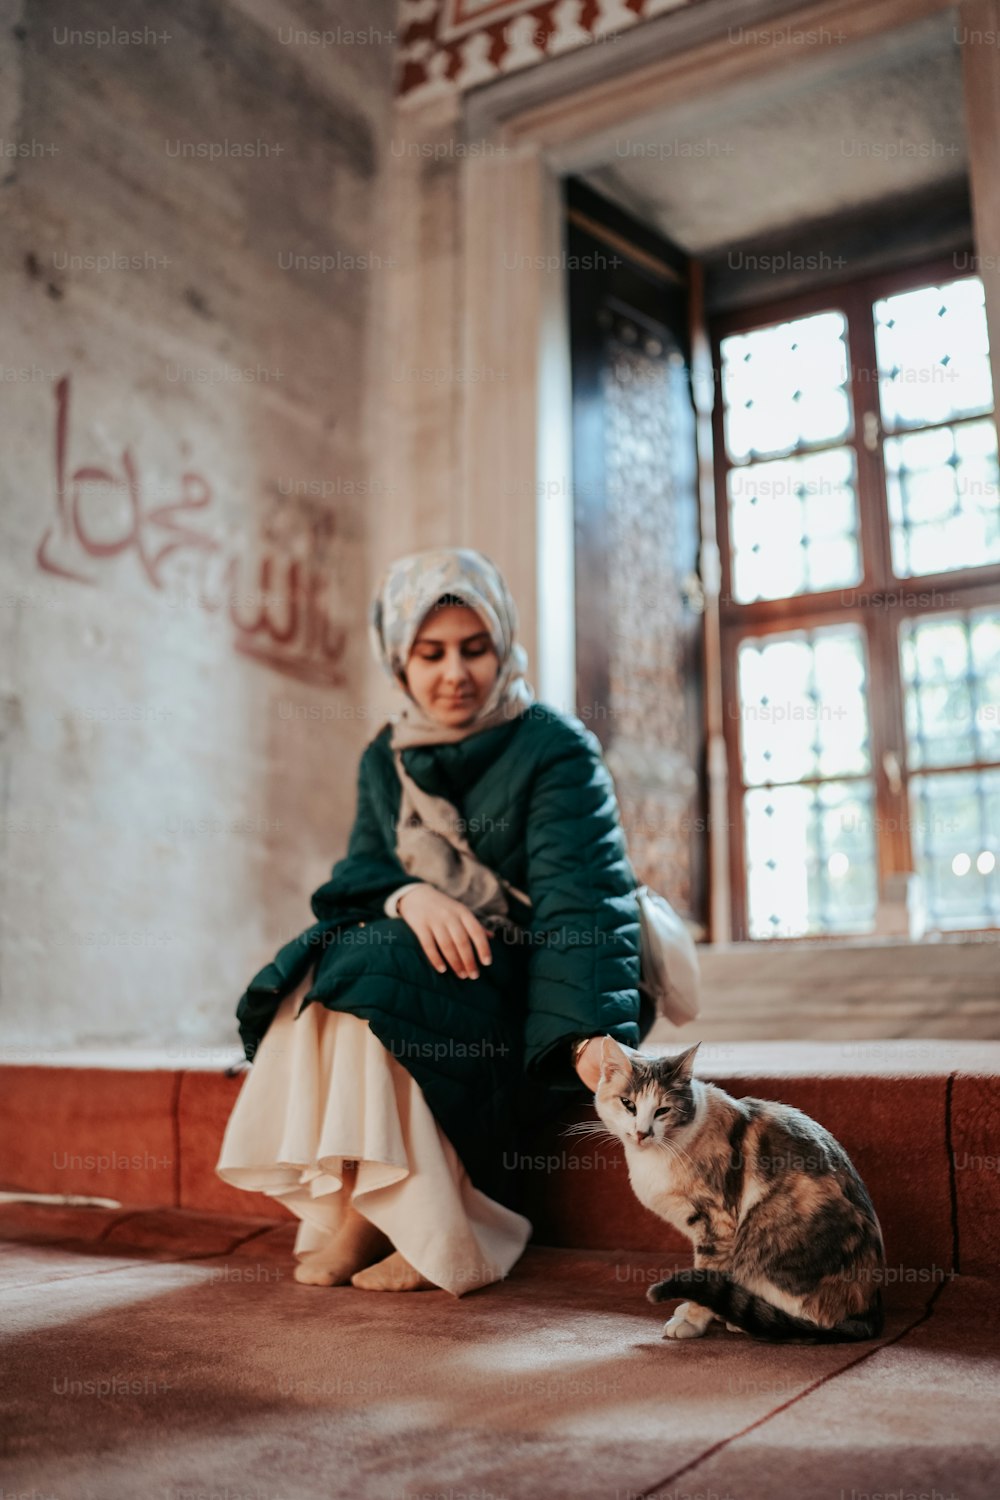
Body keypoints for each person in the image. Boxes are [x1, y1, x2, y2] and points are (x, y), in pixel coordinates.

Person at [215, 546, 651, 1295]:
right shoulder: (385, 758)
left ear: (504, 645)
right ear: (399, 661)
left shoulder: (555, 747)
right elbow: (359, 873)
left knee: (378, 966)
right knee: (348, 959)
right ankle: (365, 1207)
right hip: (425, 961)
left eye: (475, 649)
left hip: (529, 983)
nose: (456, 673)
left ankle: (433, 1228)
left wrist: (582, 1033)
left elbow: (582, 905)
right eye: (432, 652)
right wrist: (409, 896)